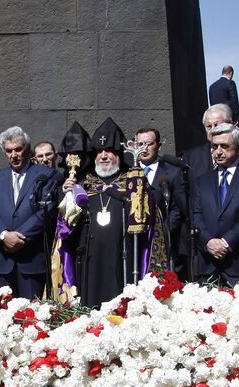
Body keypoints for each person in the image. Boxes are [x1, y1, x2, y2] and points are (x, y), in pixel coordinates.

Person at [58, 119, 167, 306]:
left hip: (123, 260)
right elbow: (65, 230)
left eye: (109, 150)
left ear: (119, 153)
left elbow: (150, 225)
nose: (104, 155)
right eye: (99, 151)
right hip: (90, 262)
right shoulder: (83, 186)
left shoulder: (134, 185)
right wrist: (69, 198)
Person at [0, 125, 58, 299]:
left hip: (31, 260)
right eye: (9, 151)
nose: (14, 154)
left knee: (31, 319)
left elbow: (45, 210)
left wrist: (18, 237)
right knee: (1, 316)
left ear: (27, 150)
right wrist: (4, 236)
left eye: (18, 149)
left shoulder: (46, 175)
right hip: (1, 261)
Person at [191, 123, 239, 286]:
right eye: (214, 146)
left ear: (238, 149)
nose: (218, 151)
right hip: (208, 265)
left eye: (224, 146)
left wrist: (226, 242)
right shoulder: (201, 182)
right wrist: (209, 242)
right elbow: (195, 215)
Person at [134, 126, 186, 272]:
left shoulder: (173, 173)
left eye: (149, 144)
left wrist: (164, 229)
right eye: (140, 144)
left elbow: (177, 208)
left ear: (159, 146)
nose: (144, 149)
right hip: (135, 240)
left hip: (163, 238)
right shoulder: (129, 172)